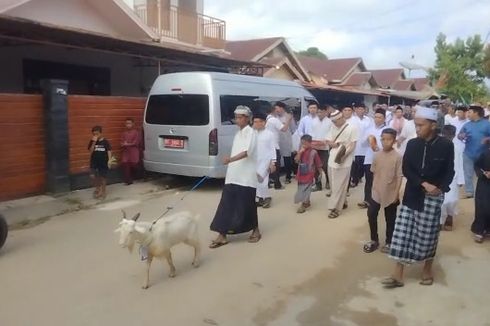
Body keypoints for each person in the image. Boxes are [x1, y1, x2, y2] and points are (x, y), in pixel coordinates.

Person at [382, 107, 454, 288]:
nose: (417, 128)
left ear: (433, 125)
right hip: (412, 194)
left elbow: (449, 171)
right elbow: (407, 169)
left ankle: (427, 269)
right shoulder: (413, 144)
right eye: (416, 125)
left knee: (428, 235)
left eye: (421, 125)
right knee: (402, 234)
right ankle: (397, 275)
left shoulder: (446, 145)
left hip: (433, 197)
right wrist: (423, 183)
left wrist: (441, 188)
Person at [209, 106, 259, 248]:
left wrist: (230, 160)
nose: (238, 119)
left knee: (247, 204)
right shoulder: (238, 134)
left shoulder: (251, 133)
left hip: (247, 176)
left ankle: (255, 230)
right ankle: (222, 234)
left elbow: (246, 152)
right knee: (226, 204)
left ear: (248, 118)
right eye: (236, 117)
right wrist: (230, 163)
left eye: (241, 117)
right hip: (233, 175)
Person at [363, 128, 402, 254]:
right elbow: (374, 173)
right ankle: (374, 240)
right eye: (383, 139)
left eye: (389, 139)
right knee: (371, 214)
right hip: (376, 192)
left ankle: (389, 242)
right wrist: (374, 189)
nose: (385, 142)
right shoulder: (377, 155)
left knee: (390, 218)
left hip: (391, 193)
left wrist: (396, 194)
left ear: (394, 141)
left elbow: (399, 177)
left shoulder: (398, 157)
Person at [326, 110, 358, 219]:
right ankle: (343, 201)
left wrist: (344, 156)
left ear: (340, 118)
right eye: (333, 121)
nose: (334, 123)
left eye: (336, 121)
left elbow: (353, 144)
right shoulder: (332, 127)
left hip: (344, 160)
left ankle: (335, 208)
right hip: (332, 159)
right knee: (333, 184)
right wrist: (333, 144)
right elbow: (328, 140)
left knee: (339, 185)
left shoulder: (352, 128)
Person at [358, 109, 388, 209]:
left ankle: (380, 200)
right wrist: (367, 139)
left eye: (380, 117)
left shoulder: (387, 130)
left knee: (380, 180)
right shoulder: (368, 129)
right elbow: (362, 144)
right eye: (376, 117)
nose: (377, 119)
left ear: (384, 119)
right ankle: (367, 200)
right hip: (369, 158)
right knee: (369, 180)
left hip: (382, 159)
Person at [458, 105, 490, 198]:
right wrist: (461, 136)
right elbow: (459, 135)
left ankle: (483, 191)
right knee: (467, 173)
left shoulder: (487, 124)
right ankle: (469, 192)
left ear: (476, 113)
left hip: (483, 154)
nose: (468, 114)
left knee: (483, 174)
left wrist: (487, 139)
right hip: (468, 153)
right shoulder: (467, 125)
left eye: (470, 112)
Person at [266, 102, 293, 190]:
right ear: (274, 110)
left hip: (280, 142)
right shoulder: (274, 119)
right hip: (274, 144)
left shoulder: (268, 118)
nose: (277, 111)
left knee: (278, 161)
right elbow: (284, 129)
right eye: (276, 109)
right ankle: (277, 184)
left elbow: (293, 129)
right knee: (276, 165)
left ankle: (272, 181)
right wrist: (288, 119)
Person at [294, 134, 323, 214]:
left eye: (305, 143)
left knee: (307, 189)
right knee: (301, 188)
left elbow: (318, 163)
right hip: (301, 173)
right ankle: (307, 201)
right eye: (302, 143)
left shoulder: (314, 152)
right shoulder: (300, 150)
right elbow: (296, 160)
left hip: (310, 173)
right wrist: (300, 153)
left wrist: (320, 172)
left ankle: (303, 205)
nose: (303, 145)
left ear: (310, 143)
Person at [254, 112, 276, 209]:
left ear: (264, 123)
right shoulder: (252, 134)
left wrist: (273, 162)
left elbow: (272, 148)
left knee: (263, 181)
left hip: (265, 161)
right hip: (254, 161)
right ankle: (260, 198)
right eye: (254, 122)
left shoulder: (269, 134)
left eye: (259, 122)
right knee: (256, 181)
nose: (256, 124)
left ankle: (267, 197)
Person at [439, 125, 459, 231]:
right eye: (445, 135)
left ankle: (450, 216)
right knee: (441, 200)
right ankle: (440, 221)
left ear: (453, 136)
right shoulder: (438, 145)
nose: (447, 137)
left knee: (452, 200)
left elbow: (459, 164)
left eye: (449, 136)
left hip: (454, 177)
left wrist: (461, 179)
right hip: (440, 177)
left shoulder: (457, 147)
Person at [351, 103, 373, 188]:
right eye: (359, 109)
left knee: (362, 164)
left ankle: (359, 176)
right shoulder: (352, 119)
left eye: (362, 109)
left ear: (365, 110)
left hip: (365, 145)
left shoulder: (368, 120)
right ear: (355, 110)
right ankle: (354, 180)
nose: (360, 111)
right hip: (355, 145)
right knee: (355, 163)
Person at [311, 105, 332, 193]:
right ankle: (318, 184)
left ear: (325, 112)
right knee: (315, 166)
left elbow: (330, 134)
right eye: (318, 112)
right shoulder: (313, 121)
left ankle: (328, 181)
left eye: (321, 112)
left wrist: (324, 142)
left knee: (325, 166)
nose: (319, 114)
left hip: (325, 147)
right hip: (315, 146)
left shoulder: (330, 122)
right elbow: (311, 133)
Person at [88, 126, 112, 200]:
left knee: (103, 177)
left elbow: (109, 151)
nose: (96, 135)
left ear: (101, 133)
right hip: (94, 162)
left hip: (103, 162)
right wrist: (94, 142)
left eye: (97, 134)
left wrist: (110, 161)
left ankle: (103, 191)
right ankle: (98, 188)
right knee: (93, 176)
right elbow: (91, 151)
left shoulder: (105, 141)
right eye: (94, 134)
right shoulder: (92, 141)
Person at [472, 145, 490, 243]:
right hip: (484, 183)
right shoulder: (485, 153)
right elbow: (477, 165)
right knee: (482, 206)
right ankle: (479, 230)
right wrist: (483, 173)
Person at [449, 106, 468, 186]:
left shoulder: (468, 123)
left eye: (460, 112)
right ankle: (455, 179)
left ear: (465, 113)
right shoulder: (452, 121)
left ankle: (461, 180)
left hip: (464, 146)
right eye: (458, 112)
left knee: (462, 163)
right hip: (453, 144)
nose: (459, 114)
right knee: (455, 162)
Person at [120, 118, 141, 185]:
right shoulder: (124, 133)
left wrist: (127, 144)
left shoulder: (136, 133)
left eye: (129, 123)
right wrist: (123, 144)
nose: (128, 125)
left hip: (134, 152)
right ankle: (128, 181)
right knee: (125, 164)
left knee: (134, 165)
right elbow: (121, 142)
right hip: (126, 152)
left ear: (133, 124)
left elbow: (136, 142)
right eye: (126, 123)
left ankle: (141, 175)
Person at [279, 107, 295, 184]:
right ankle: (275, 178)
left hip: (286, 140)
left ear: (282, 108)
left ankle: (288, 176)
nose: (277, 110)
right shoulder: (274, 117)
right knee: (276, 160)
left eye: (278, 108)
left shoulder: (288, 117)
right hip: (277, 141)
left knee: (287, 159)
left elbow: (293, 129)